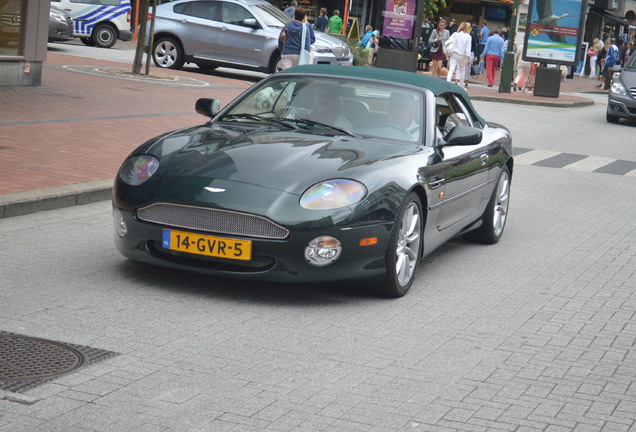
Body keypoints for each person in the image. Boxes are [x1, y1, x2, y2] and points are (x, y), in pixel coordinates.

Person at [446, 21, 472, 88]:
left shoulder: (455, 34)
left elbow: (449, 42)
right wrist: (468, 56)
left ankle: (448, 81)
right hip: (462, 55)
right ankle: (461, 84)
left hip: (454, 53)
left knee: (451, 68)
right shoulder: (468, 37)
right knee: (462, 69)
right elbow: (467, 48)